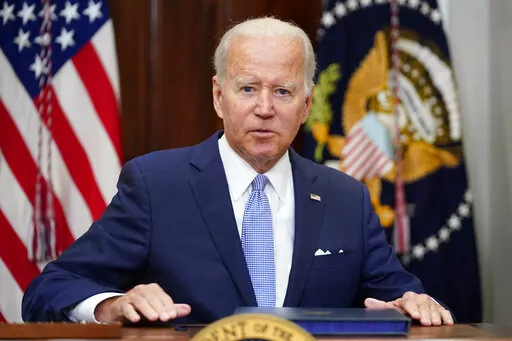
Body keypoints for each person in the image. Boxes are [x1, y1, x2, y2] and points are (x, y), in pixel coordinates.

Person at [22, 17, 453, 326]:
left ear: (305, 105)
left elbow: (403, 295)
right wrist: (111, 305)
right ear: (218, 96)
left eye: (282, 91)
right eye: (248, 88)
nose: (264, 109)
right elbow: (50, 288)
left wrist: (417, 305)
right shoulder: (156, 186)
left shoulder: (346, 196)